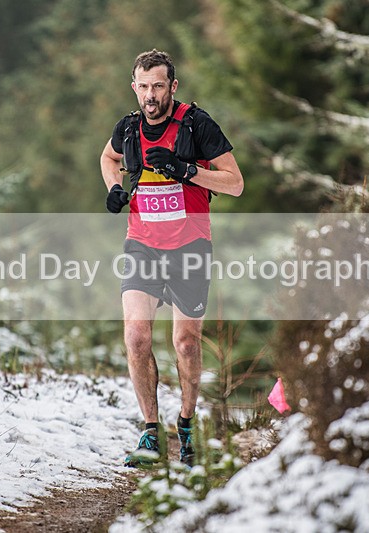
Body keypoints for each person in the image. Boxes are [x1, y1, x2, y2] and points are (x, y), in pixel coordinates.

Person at [99, 49, 243, 467]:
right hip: (142, 244)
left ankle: (186, 424)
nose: (150, 95)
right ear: (134, 87)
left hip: (190, 247)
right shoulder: (128, 129)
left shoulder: (197, 125)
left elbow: (235, 184)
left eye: (158, 86)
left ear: (172, 87)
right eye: (143, 87)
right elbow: (108, 158)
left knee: (185, 341)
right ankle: (149, 431)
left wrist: (185, 170)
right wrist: (112, 189)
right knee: (136, 337)